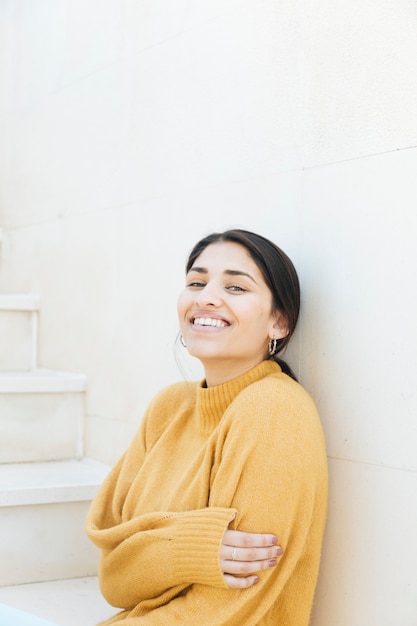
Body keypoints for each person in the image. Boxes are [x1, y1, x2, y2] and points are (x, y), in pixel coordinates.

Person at [86, 228, 328, 625]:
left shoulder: (274, 409)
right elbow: (114, 580)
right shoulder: (169, 407)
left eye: (236, 287)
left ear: (279, 323)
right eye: (196, 282)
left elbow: (230, 607)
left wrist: (147, 549)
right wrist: (188, 547)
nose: (206, 296)